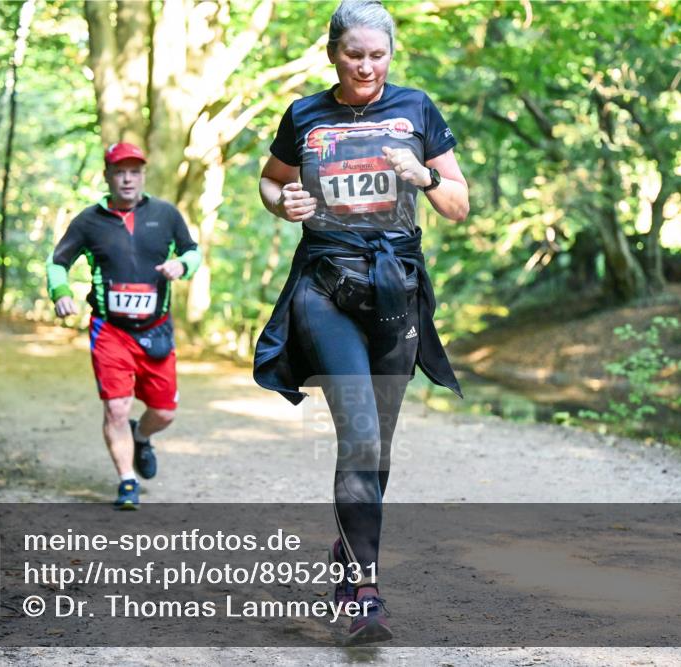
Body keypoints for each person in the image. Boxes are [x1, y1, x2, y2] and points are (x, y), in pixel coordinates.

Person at [253, 0, 469, 646]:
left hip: (395, 291)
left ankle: (348, 555)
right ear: (333, 54)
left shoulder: (417, 109)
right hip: (325, 287)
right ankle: (364, 595)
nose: (367, 67)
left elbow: (458, 205)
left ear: (391, 56)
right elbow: (271, 181)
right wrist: (284, 203)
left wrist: (423, 174)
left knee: (379, 448)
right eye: (355, 55)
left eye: (378, 56)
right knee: (361, 433)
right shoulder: (304, 114)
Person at [47, 142, 201, 509]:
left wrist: (182, 265)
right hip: (110, 330)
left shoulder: (165, 214)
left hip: (156, 329)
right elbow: (57, 263)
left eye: (134, 171)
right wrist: (60, 292)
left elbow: (192, 251)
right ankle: (127, 481)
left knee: (164, 412)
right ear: (107, 176)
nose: (127, 179)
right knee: (116, 408)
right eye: (120, 172)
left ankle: (141, 437)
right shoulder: (88, 221)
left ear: (143, 175)